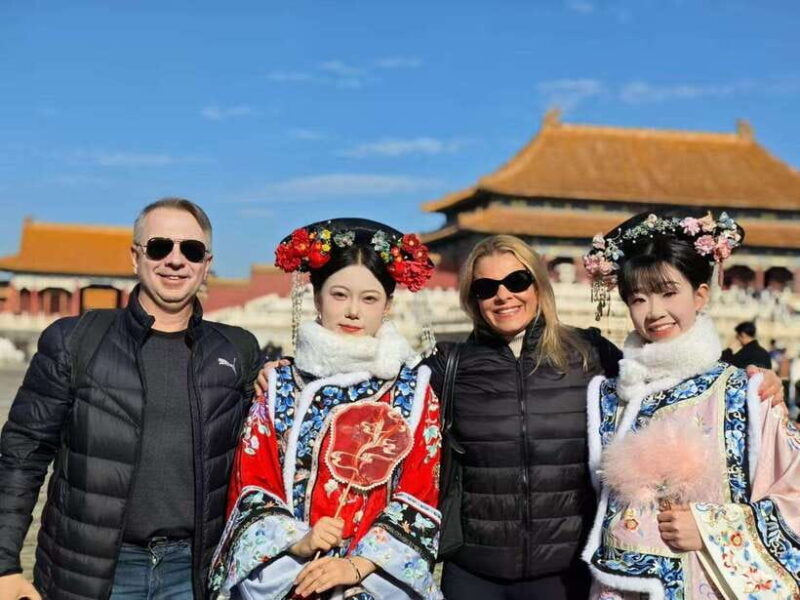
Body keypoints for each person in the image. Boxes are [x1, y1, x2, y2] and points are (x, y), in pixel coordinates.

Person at [254, 234, 784, 600]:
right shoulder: (447, 367)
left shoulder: (591, 357)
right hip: (474, 572)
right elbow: (372, 396)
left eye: (516, 280)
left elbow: (670, 380)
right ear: (471, 298)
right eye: (486, 287)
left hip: (564, 574)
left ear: (539, 285)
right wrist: (285, 371)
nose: (503, 295)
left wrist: (756, 378)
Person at [0, 198, 261, 600]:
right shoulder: (75, 340)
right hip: (91, 568)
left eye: (191, 250)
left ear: (206, 264)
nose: (175, 260)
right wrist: (4, 564)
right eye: (159, 247)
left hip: (193, 572)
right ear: (135, 257)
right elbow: (22, 455)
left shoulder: (237, 351)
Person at [208, 219, 442, 600]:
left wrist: (357, 565)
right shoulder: (279, 387)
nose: (353, 311)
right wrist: (298, 541)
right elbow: (252, 484)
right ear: (317, 298)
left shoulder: (414, 393)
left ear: (387, 305)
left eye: (369, 299)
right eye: (339, 295)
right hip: (291, 576)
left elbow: (419, 494)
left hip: (375, 583)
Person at [581, 210, 800, 598]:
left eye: (669, 293)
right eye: (638, 299)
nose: (654, 312)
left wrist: (713, 528)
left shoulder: (746, 394)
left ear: (700, 295)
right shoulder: (610, 395)